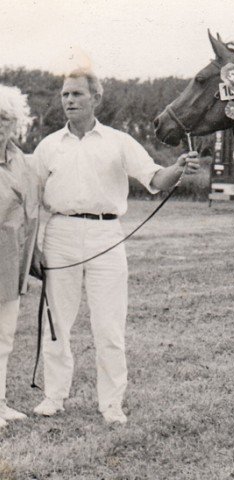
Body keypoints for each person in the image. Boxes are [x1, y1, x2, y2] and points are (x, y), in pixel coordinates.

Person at [31, 68, 200, 424]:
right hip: (59, 233)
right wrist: (34, 248)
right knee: (56, 323)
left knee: (108, 325)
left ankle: (111, 404)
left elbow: (156, 178)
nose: (70, 101)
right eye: (65, 95)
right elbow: (31, 198)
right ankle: (53, 396)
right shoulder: (48, 146)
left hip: (107, 235)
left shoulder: (118, 141)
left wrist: (179, 167)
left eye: (77, 94)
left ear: (97, 98)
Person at [0, 84, 40, 427]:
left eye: (4, 118)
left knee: (4, 337)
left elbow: (30, 215)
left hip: (10, 262)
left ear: (15, 123)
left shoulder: (21, 163)